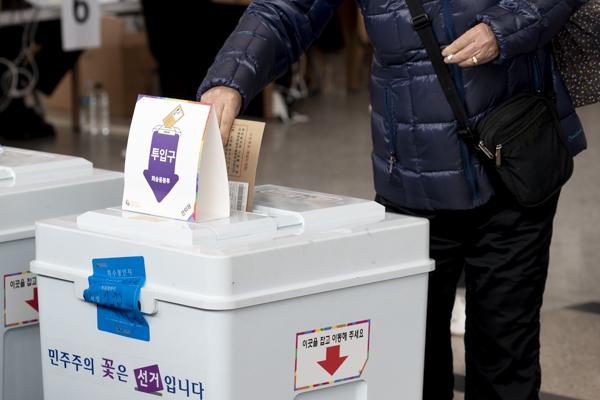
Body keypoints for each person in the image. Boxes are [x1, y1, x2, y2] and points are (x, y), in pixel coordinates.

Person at [197, 1, 587, 399]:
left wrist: (503, 28)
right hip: (413, 183)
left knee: (506, 361)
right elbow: (285, 10)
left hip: (514, 161)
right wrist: (230, 79)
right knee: (412, 361)